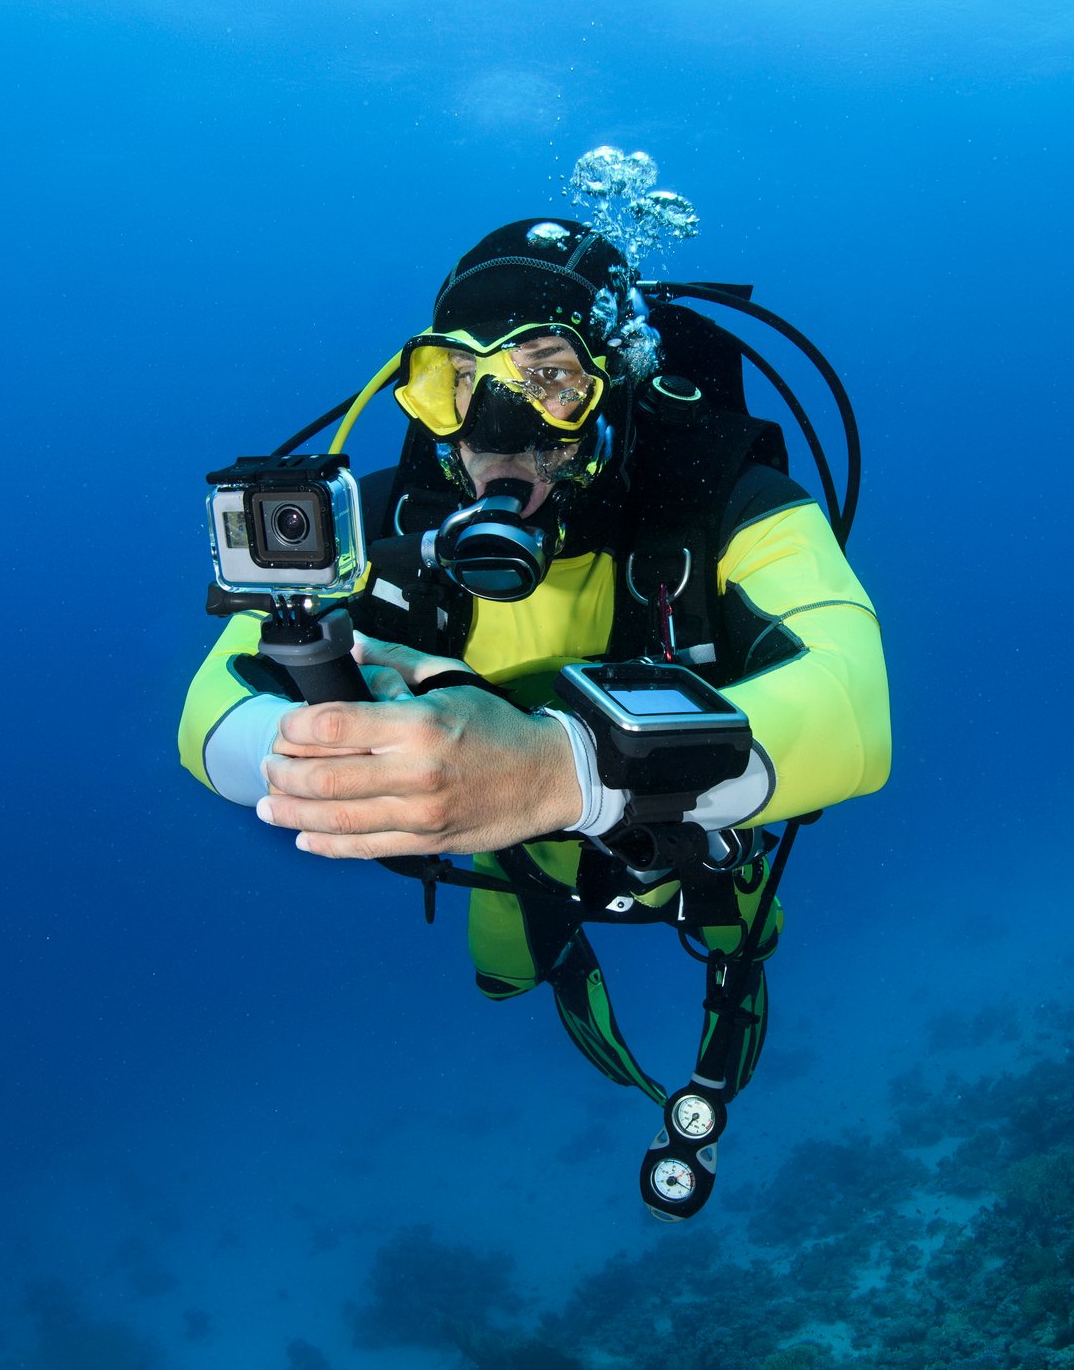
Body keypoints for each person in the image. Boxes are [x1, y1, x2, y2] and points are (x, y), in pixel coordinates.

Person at [176, 217, 890, 1215]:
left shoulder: (726, 496)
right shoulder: (374, 527)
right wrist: (331, 750)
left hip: (693, 845)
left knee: (737, 931)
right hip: (508, 863)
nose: (493, 432)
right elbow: (209, 716)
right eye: (456, 385)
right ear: (418, 394)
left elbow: (857, 710)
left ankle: (725, 992)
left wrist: (557, 772)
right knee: (510, 965)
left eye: (548, 379)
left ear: (617, 380)